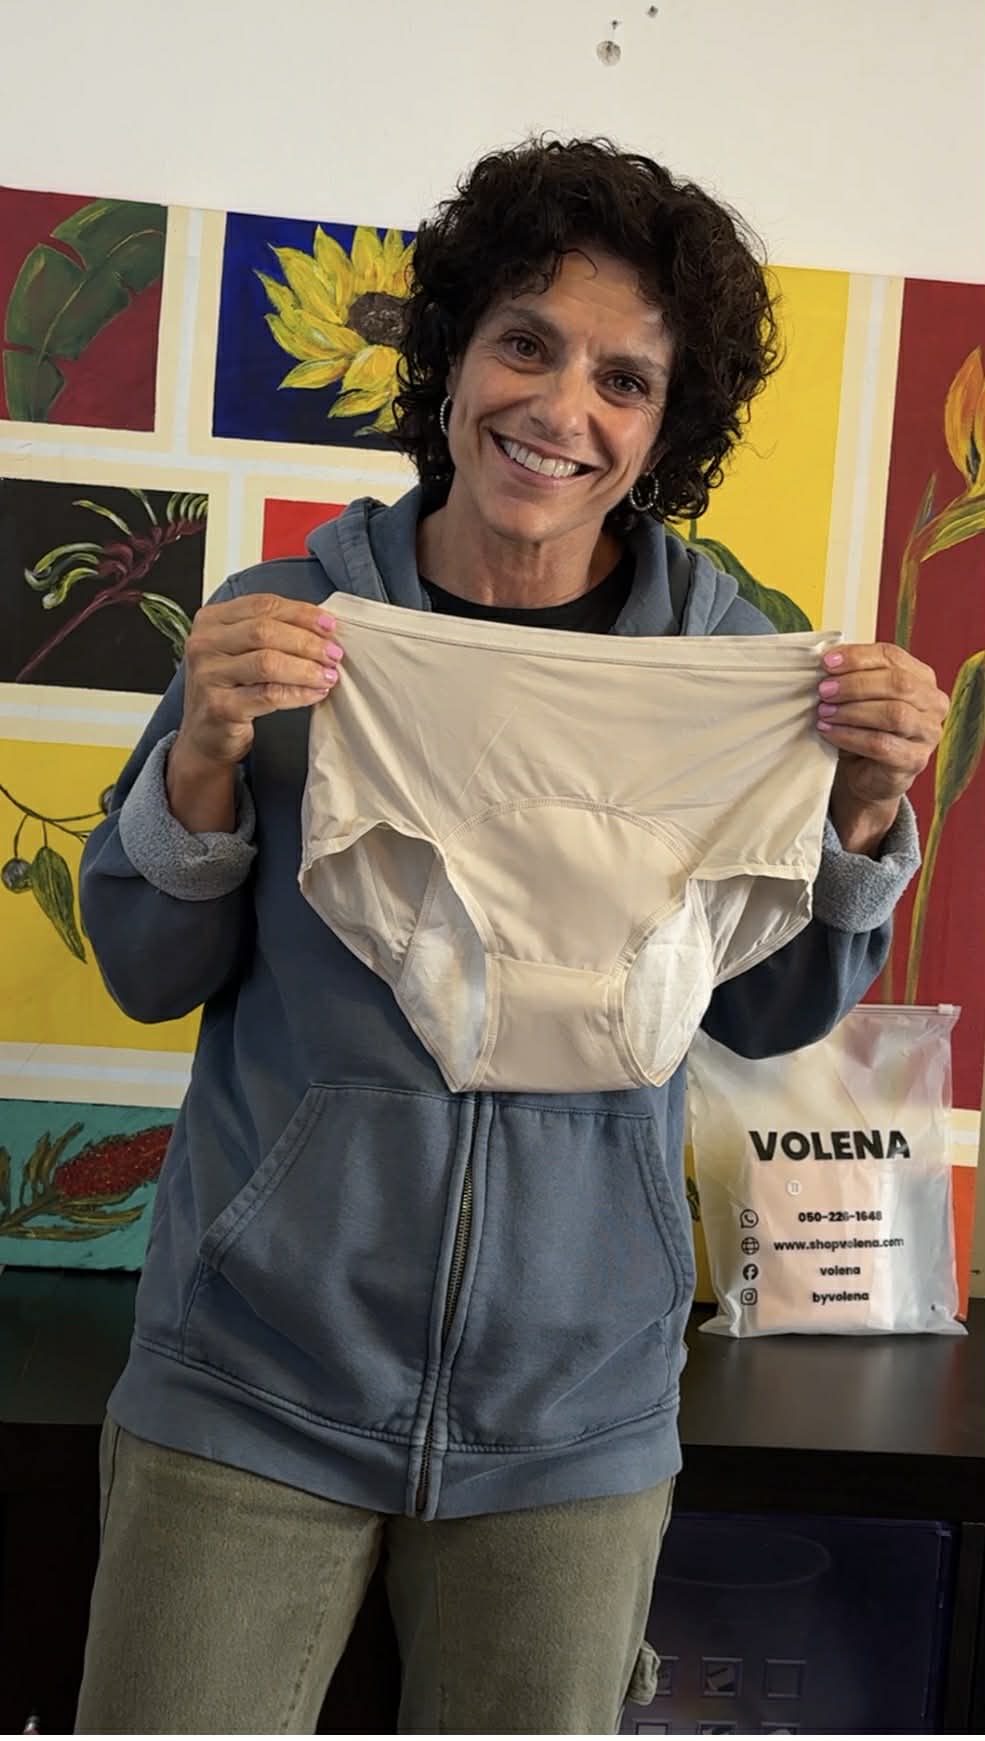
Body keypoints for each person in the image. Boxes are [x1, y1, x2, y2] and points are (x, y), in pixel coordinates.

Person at [75, 137, 946, 1735]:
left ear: (665, 425)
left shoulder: (731, 666)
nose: (560, 409)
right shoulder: (294, 626)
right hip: (249, 1383)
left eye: (624, 379)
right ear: (453, 358)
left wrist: (862, 815)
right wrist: (200, 759)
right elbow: (146, 970)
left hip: (572, 1417)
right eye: (525, 344)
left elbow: (761, 1013)